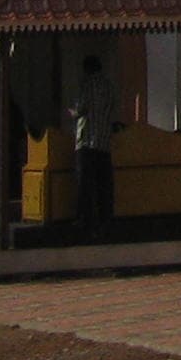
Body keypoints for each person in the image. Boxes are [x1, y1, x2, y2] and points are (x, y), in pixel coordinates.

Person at [70, 53, 120, 230]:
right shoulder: (108, 86)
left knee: (85, 184)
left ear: (87, 69)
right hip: (104, 143)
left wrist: (72, 112)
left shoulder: (87, 84)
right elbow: (113, 106)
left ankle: (85, 219)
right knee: (103, 185)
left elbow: (80, 108)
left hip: (87, 142)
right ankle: (105, 219)